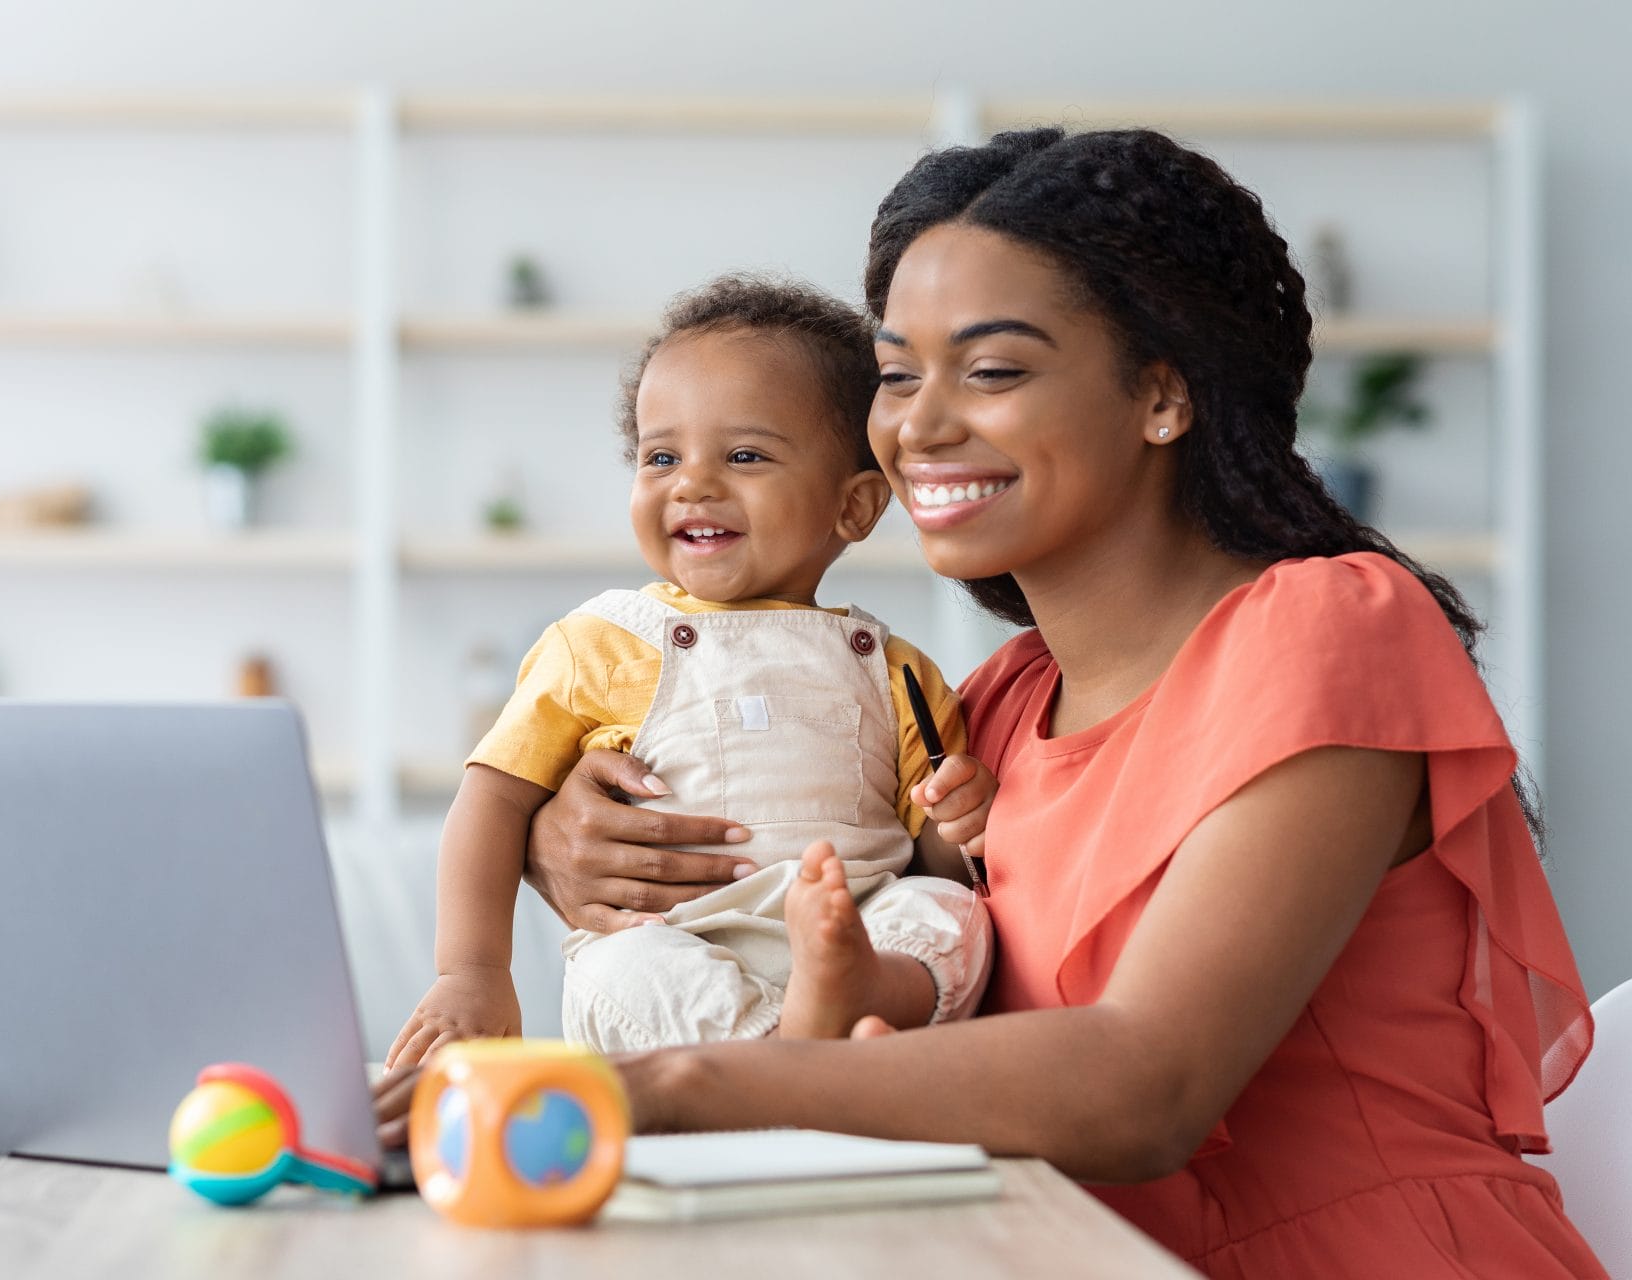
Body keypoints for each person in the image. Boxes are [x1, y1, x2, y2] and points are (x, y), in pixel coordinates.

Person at [382, 128, 1604, 1278]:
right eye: (896, 374)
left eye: (995, 370)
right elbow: (830, 906)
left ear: (1162, 397)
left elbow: (1144, 1083)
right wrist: (560, 833)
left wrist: (673, 1082)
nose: (920, 425)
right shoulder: (997, 710)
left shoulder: (1331, 627)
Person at [385, 276, 996, 1070]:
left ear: (854, 507)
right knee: (619, 970)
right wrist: (471, 971)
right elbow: (492, 798)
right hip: (679, 948)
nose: (691, 483)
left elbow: (933, 861)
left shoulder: (898, 673)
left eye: (744, 455)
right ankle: (784, 1059)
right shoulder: (601, 643)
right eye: (660, 456)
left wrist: (960, 826)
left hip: (852, 931)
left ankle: (844, 1000)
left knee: (951, 914)